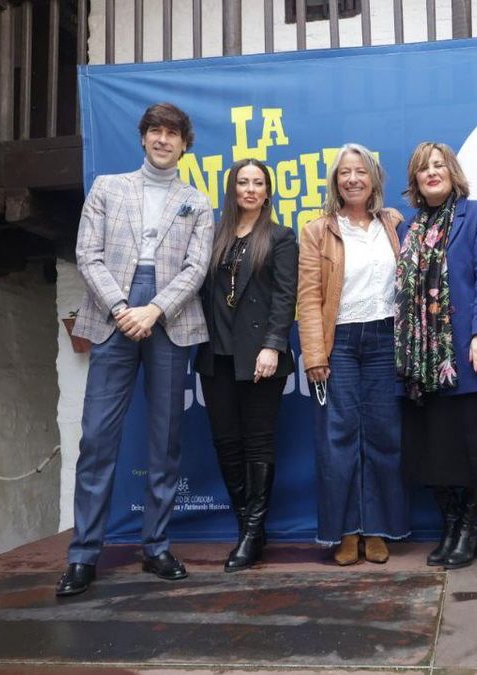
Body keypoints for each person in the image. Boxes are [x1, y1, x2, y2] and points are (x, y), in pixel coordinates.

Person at [57, 102, 214, 597]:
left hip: (170, 318)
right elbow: (87, 253)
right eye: (156, 131)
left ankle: (157, 546)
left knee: (165, 439)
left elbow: (196, 267)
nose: (164, 140)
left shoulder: (198, 201)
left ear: (185, 144)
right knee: (98, 438)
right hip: (111, 314)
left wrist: (154, 310)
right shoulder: (108, 187)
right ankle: (84, 555)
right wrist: (124, 306)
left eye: (173, 133)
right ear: (143, 138)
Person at [398, 142, 477, 570]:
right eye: (423, 168)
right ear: (414, 180)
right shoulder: (406, 229)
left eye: (439, 165)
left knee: (472, 446)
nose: (432, 173)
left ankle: (469, 528)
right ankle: (449, 525)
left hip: (468, 355)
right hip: (421, 362)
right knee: (434, 448)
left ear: (453, 172)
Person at [296, 143, 410, 565]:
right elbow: (308, 298)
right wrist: (314, 355)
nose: (353, 179)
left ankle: (378, 529)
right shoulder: (317, 230)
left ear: (374, 178)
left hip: (385, 340)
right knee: (337, 439)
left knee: (384, 435)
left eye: (361, 171)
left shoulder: (392, 224)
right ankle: (346, 532)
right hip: (339, 343)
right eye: (345, 173)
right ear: (335, 182)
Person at [195, 159, 298, 572]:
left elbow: (284, 297)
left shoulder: (280, 237)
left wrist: (273, 345)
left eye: (258, 182)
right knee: (226, 443)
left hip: (260, 357)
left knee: (258, 442)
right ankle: (247, 529)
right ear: (232, 189)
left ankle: (253, 534)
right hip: (215, 354)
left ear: (268, 192)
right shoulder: (213, 236)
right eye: (243, 182)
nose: (251, 189)